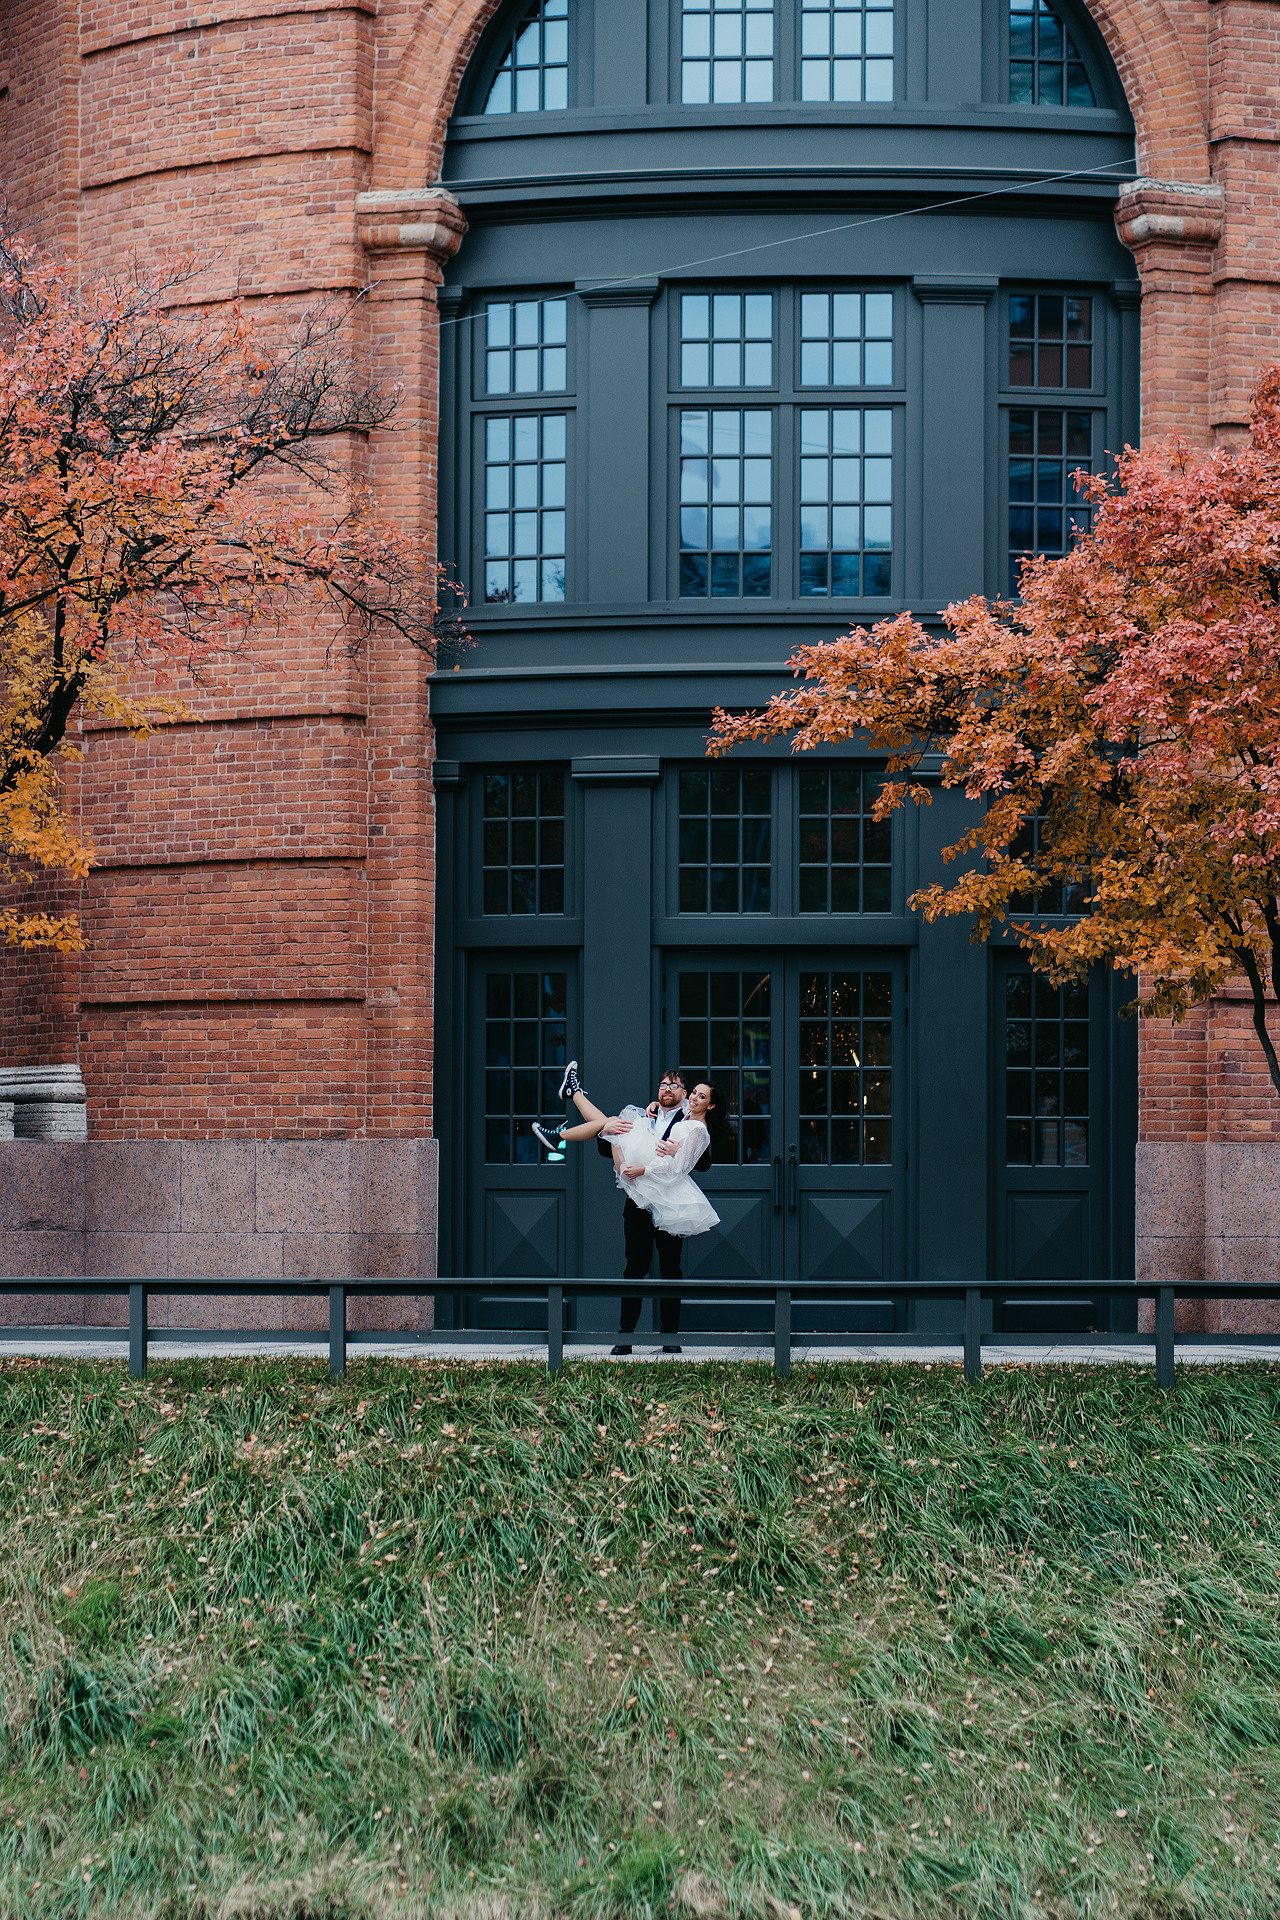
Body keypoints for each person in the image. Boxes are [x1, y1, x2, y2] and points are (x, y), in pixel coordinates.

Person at [533, 1065, 725, 1354]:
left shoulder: (690, 1116)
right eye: (663, 1084)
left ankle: (669, 1338)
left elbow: (702, 1161)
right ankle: (625, 1336)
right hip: (637, 1200)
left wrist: (674, 1152)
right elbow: (606, 1147)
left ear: (685, 1094)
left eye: (674, 1085)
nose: (667, 1089)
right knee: (634, 1267)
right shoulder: (645, 1117)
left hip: (670, 1202)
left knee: (671, 1270)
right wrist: (610, 1133)